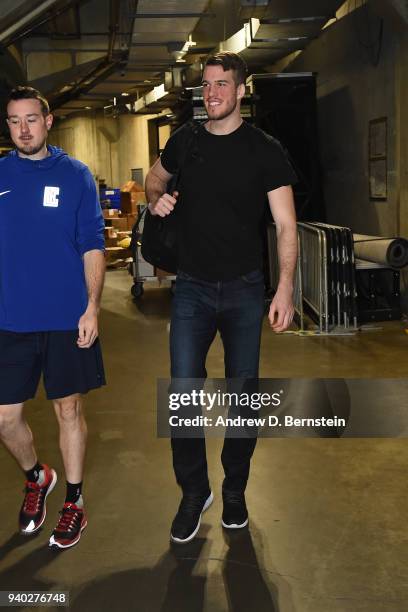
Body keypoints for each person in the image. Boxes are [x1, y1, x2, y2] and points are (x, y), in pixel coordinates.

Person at [145, 52, 298, 544]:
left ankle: (234, 488)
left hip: (245, 290)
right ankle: (194, 492)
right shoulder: (185, 140)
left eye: (221, 85)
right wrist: (155, 198)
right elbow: (154, 178)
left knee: (243, 396)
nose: (210, 93)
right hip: (190, 286)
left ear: (240, 91)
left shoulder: (264, 149)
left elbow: (286, 225)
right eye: (206, 85)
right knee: (183, 393)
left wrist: (286, 289)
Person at [0, 86, 106, 549]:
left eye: (30, 119)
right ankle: (37, 476)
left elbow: (92, 244)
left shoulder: (76, 175)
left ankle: (74, 502)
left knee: (69, 409)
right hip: (10, 318)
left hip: (67, 316)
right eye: (13, 121)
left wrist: (93, 307)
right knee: (5, 419)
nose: (23, 129)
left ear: (48, 120)